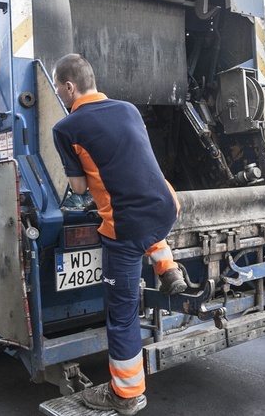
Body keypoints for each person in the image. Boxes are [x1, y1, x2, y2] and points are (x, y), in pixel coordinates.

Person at [51, 53, 186, 415]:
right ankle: (166, 267)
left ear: (69, 86)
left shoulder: (66, 128)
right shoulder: (128, 108)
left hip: (126, 227)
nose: (60, 97)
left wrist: (80, 174)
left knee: (123, 314)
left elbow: (78, 187)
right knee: (143, 213)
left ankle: (125, 395)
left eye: (60, 90)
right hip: (166, 206)